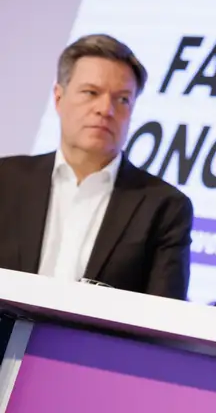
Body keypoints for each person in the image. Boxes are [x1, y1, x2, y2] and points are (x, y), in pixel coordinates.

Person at [0, 34, 193, 300]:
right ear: (58, 98)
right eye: (91, 93)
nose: (106, 109)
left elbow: (163, 314)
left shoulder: (164, 207)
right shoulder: (6, 180)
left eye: (122, 99)